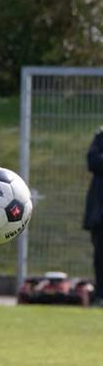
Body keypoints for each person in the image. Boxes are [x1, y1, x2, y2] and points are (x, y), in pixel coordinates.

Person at [84, 127, 103, 302]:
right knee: (100, 255)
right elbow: (93, 161)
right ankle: (100, 296)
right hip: (100, 212)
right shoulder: (101, 136)